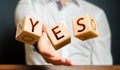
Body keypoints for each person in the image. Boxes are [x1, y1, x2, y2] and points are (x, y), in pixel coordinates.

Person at [15, 0, 113, 65]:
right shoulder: (29, 4)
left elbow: (103, 62)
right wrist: (39, 40)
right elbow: (27, 22)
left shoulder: (96, 13)